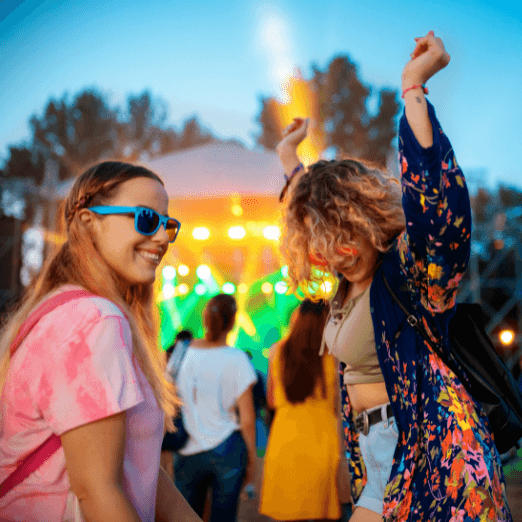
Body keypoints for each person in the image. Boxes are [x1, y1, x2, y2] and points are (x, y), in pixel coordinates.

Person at [276, 33, 512, 521]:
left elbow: (439, 211)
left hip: (431, 450)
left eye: (340, 235)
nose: (329, 251)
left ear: (365, 221)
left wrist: (413, 89)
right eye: (318, 242)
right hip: (377, 447)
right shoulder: (346, 282)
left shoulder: (407, 272)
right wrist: (288, 160)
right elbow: (307, 203)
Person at [0, 161, 201, 522]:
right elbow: (97, 491)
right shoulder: (93, 318)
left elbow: (136, 467)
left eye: (168, 226)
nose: (161, 238)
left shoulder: (64, 309)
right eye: (145, 219)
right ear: (90, 223)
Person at [174, 294, 257, 522]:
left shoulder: (180, 353)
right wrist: (251, 461)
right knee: (224, 517)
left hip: (187, 450)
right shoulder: (238, 358)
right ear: (232, 322)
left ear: (204, 319)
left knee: (186, 516)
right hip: (228, 449)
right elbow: (248, 420)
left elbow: (166, 398)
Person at [259, 299, 343, 522]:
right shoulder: (333, 354)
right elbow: (339, 403)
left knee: (286, 513)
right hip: (323, 438)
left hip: (285, 439)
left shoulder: (278, 350)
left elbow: (270, 400)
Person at [161, 329, 194, 480]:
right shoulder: (194, 354)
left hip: (168, 407)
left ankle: (169, 480)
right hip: (186, 409)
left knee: (166, 454)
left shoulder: (168, 352)